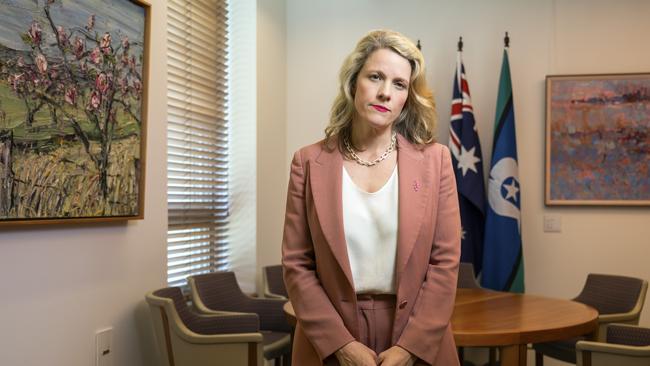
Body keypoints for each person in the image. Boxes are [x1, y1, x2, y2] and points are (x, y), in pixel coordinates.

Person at [282, 29, 461, 366]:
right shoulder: (307, 162)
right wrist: (341, 345)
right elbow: (296, 265)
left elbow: (445, 264)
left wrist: (410, 348)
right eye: (375, 77)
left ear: (408, 96)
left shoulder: (436, 161)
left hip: (417, 335)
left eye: (399, 84)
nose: (385, 93)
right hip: (330, 337)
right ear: (353, 83)